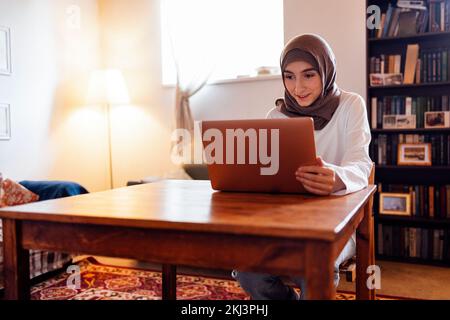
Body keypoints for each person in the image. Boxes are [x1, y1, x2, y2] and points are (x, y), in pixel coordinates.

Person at [232, 34, 372, 300]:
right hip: (286, 222)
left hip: (336, 224)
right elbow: (269, 174)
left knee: (315, 267)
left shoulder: (351, 105)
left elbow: (361, 163)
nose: (298, 87)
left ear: (326, 71)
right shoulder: (277, 116)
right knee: (247, 268)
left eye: (309, 75)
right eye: (289, 76)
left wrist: (337, 178)